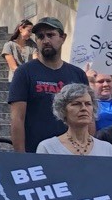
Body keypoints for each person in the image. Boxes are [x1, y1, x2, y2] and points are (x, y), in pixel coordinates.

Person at [7, 16, 89, 152]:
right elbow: (17, 119)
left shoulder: (78, 74)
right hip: (36, 153)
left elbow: (88, 117)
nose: (45, 40)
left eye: (50, 35)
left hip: (72, 154)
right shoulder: (24, 73)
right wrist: (20, 157)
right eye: (40, 36)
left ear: (63, 37)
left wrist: (88, 152)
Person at [33, 81, 112, 157]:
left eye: (88, 104)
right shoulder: (48, 147)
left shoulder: (107, 149)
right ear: (63, 109)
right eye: (76, 104)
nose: (84, 108)